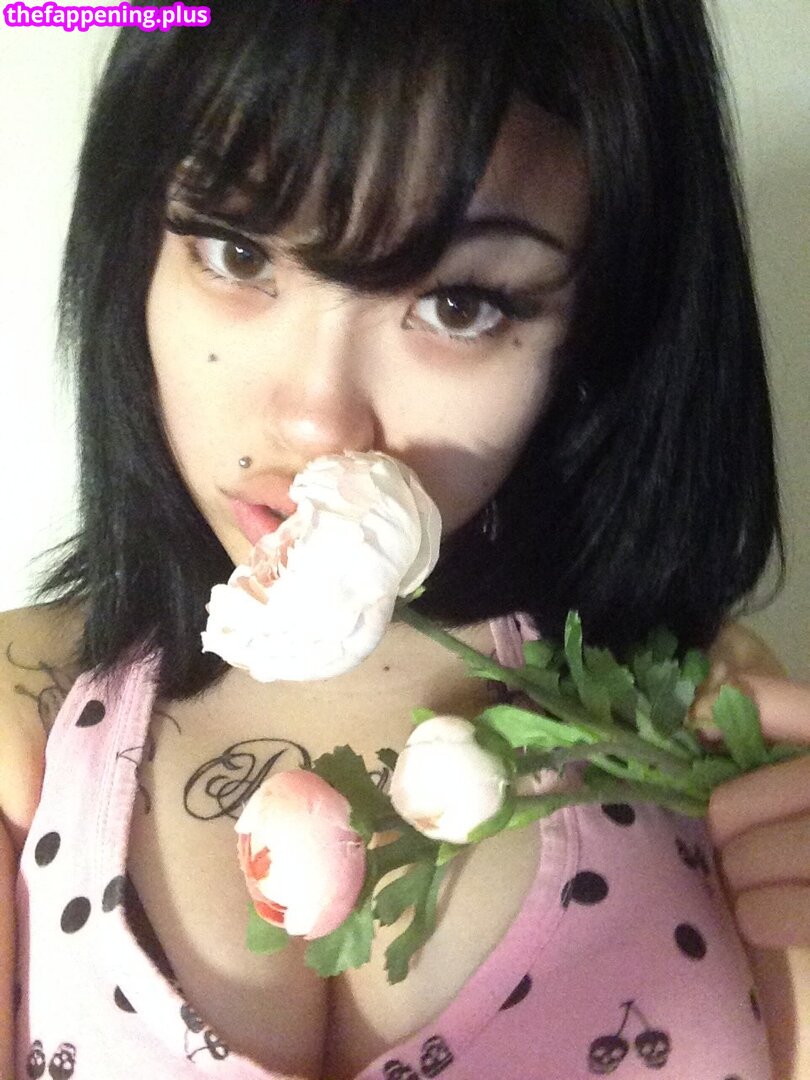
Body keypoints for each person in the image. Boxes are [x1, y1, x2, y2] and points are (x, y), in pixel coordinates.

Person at [1, 1, 809, 1077]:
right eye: (237, 251)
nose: (316, 420)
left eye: (461, 305)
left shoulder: (698, 722)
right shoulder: (28, 720)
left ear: (599, 331)